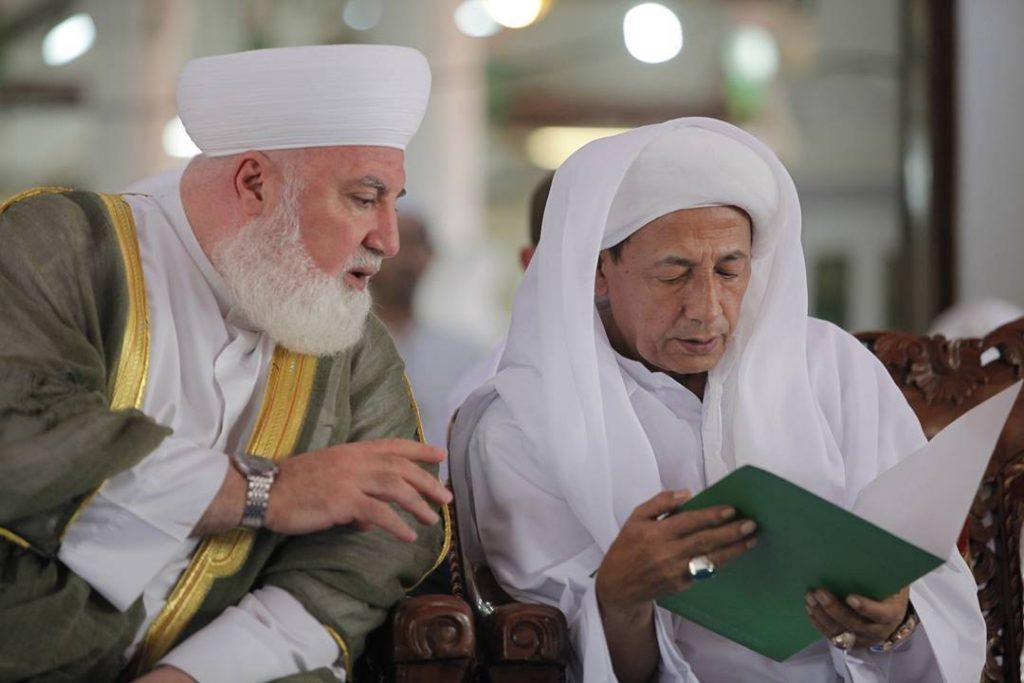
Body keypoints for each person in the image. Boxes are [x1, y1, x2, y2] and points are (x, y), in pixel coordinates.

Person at [450, 118, 984, 681]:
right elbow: (540, 653)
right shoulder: (523, 423)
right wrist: (620, 597)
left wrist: (894, 621)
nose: (706, 309)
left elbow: (936, 590)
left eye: (730, 270)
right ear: (599, 271)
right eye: (673, 274)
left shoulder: (834, 368)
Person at [0, 44, 453, 683]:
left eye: (393, 202)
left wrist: (196, 674)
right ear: (254, 183)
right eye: (363, 198)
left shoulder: (344, 336)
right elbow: (21, 432)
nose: (389, 239)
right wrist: (264, 493)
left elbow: (386, 534)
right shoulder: (59, 245)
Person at [371, 207, 483, 447]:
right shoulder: (338, 348)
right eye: (393, 242)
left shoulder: (464, 355)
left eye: (415, 244)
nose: (405, 258)